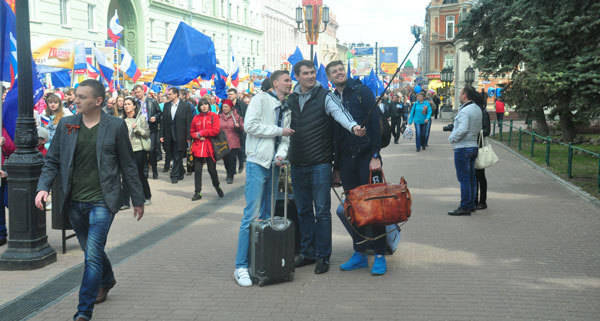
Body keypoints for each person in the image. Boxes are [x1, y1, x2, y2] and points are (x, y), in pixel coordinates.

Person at [35, 79, 145, 321]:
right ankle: (107, 279)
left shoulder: (114, 126)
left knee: (92, 255)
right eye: (76, 96)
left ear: (98, 101)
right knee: (91, 251)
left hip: (103, 201)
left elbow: (128, 165)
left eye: (82, 97)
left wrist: (137, 198)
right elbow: (52, 160)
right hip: (73, 202)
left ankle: (83, 312)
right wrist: (43, 188)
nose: (76, 100)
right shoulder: (67, 125)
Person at [287, 60, 365, 275]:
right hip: (297, 162)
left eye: (313, 73)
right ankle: (307, 252)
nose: (311, 76)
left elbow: (340, 114)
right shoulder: (290, 99)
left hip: (320, 163)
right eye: (306, 73)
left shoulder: (325, 96)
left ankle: (323, 255)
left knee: (321, 212)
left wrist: (353, 126)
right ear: (297, 76)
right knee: (303, 211)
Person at [326, 60, 387, 275]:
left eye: (341, 70)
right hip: (346, 161)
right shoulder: (331, 99)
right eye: (334, 72)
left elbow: (375, 125)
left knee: (374, 206)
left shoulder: (362, 91)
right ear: (330, 77)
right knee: (353, 208)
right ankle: (360, 252)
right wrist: (337, 166)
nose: (339, 73)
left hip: (366, 158)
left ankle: (380, 254)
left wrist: (375, 155)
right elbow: (335, 135)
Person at [233, 70, 294, 287]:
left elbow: (286, 138)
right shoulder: (260, 99)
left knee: (269, 216)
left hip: (274, 165)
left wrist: (281, 155)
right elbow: (250, 126)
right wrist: (279, 131)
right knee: (251, 215)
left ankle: (263, 262)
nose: (290, 83)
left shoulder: (287, 106)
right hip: (257, 163)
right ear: (275, 82)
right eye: (286, 80)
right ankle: (241, 266)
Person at [447, 86, 483, 216]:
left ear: (465, 95)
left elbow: (462, 129)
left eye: (461, 93)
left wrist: (452, 138)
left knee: (464, 178)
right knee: (471, 177)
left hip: (463, 147)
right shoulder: (477, 109)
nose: (459, 95)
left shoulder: (465, 111)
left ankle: (465, 206)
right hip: (473, 145)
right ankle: (472, 203)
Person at [190, 98, 224, 200]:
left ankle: (217, 186)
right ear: (199, 107)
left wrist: (202, 133)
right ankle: (197, 192)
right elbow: (192, 131)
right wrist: (197, 135)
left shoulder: (214, 116)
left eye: (206, 104)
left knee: (212, 170)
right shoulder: (195, 118)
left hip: (210, 147)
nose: (204, 106)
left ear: (209, 105)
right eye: (202, 105)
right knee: (197, 171)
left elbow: (216, 130)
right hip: (198, 147)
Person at [160, 87, 193, 184]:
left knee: (178, 155)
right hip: (168, 135)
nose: (168, 96)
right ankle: (181, 171)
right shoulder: (166, 106)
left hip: (180, 135)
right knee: (172, 154)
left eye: (170, 94)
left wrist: (188, 137)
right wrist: (161, 135)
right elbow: (163, 122)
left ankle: (174, 175)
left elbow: (188, 122)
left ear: (176, 94)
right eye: (168, 94)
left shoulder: (186, 106)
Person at [123, 97, 152, 205]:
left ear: (134, 106)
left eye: (129, 104)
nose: (126, 106)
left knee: (139, 174)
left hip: (139, 150)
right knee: (126, 175)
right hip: (127, 151)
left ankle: (146, 196)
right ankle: (125, 201)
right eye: (125, 104)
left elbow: (147, 133)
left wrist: (137, 129)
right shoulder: (122, 121)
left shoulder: (141, 118)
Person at [133, 85, 162, 180]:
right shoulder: (135, 103)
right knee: (143, 151)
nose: (137, 94)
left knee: (152, 150)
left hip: (151, 129)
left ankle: (154, 171)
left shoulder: (152, 101)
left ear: (143, 91)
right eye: (136, 92)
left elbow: (159, 113)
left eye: (139, 91)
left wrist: (155, 117)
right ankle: (145, 171)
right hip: (141, 129)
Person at [219, 99, 244, 184]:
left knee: (232, 159)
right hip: (223, 142)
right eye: (223, 107)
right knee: (225, 160)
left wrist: (238, 126)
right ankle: (228, 172)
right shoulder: (219, 117)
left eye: (226, 107)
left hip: (233, 141)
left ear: (230, 107)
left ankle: (230, 176)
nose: (225, 108)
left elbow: (242, 128)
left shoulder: (236, 117)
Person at [0, 128, 16, 247]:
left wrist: (4, 142)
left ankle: (2, 233)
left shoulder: (3, 129)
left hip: (3, 170)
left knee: (5, 201)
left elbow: (12, 147)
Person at [227, 88, 247, 172]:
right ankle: (232, 169)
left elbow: (246, 116)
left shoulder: (242, 104)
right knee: (231, 150)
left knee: (240, 149)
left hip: (240, 130)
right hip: (230, 130)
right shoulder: (226, 104)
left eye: (231, 94)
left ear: (236, 95)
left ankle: (241, 164)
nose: (229, 96)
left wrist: (242, 125)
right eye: (228, 94)